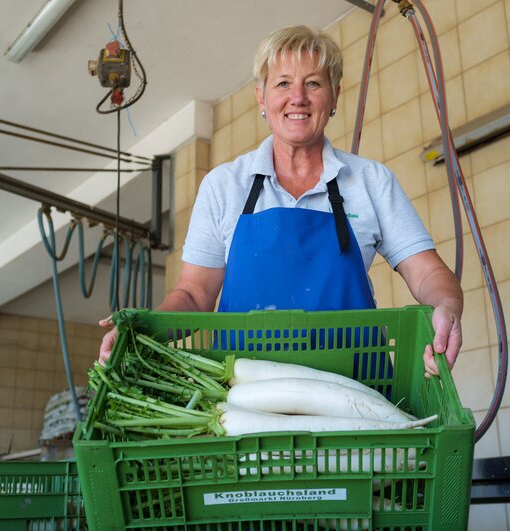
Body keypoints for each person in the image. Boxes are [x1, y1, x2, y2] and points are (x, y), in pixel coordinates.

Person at [99, 25, 463, 376]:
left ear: (334, 97)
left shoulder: (371, 181)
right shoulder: (223, 186)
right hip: (243, 399)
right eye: (283, 83)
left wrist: (446, 307)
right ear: (262, 98)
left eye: (314, 83)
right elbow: (194, 295)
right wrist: (140, 329)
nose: (298, 97)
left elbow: (427, 272)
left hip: (356, 393)